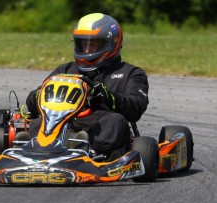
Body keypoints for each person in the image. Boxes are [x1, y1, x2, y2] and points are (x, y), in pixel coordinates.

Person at [26, 13, 149, 161]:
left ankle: (86, 150)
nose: (87, 50)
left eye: (93, 44)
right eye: (83, 44)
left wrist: (108, 97)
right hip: (63, 122)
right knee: (38, 123)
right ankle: (37, 148)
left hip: (100, 123)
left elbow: (136, 108)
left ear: (111, 43)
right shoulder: (65, 70)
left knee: (115, 121)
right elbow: (34, 101)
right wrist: (38, 96)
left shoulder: (130, 73)